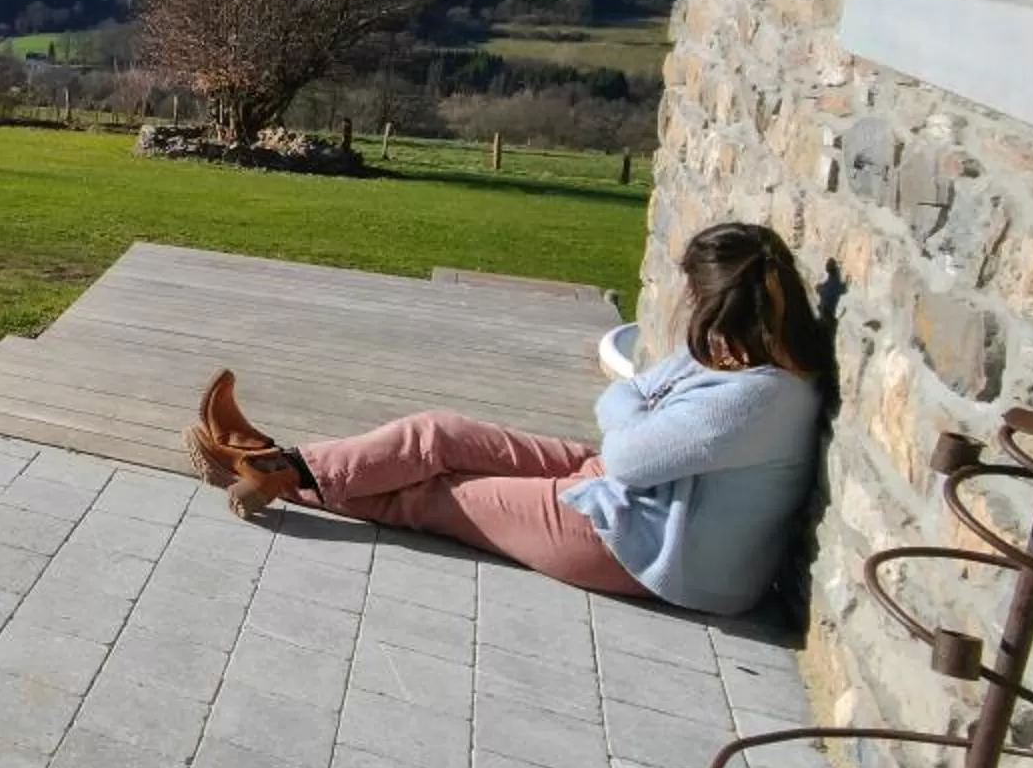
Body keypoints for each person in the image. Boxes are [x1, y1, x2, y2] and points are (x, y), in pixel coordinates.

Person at [186, 222, 829, 616]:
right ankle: (275, 463)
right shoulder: (730, 359)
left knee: (435, 492)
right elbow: (630, 403)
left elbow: (628, 442)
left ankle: (268, 466)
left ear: (719, 307)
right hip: (629, 497)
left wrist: (632, 410)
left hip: (646, 548)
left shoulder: (761, 396)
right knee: (438, 433)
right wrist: (634, 411)